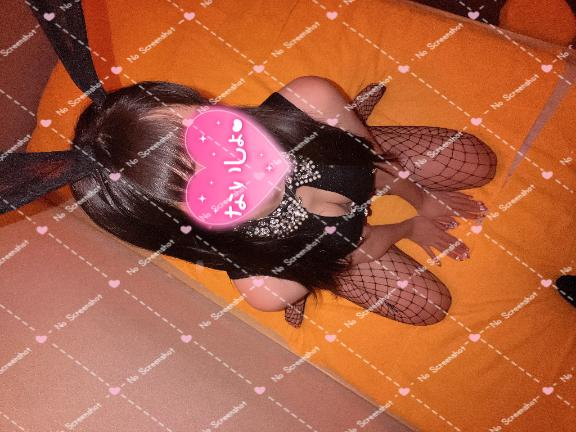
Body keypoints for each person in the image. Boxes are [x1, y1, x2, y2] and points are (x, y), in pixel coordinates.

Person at [62, 76, 497, 328]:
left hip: (319, 145)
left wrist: (420, 199)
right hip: (304, 248)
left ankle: (342, 125)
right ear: (182, 228)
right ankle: (307, 276)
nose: (245, 168)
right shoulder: (266, 286)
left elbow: (372, 164)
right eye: (204, 189)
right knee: (427, 307)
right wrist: (407, 227)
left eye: (209, 133)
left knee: (475, 162)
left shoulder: (311, 97)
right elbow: (354, 248)